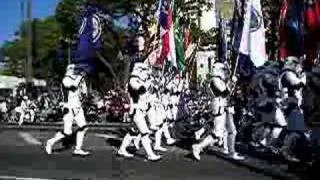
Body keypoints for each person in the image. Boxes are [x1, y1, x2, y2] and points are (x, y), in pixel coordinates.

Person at [45, 64, 90, 156]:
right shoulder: (66, 79)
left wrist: (83, 88)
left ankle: (78, 148)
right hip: (68, 108)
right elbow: (73, 86)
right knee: (67, 132)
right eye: (74, 69)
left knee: (84, 127)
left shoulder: (78, 79)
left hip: (77, 107)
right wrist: (80, 77)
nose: (76, 71)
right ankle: (50, 142)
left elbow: (83, 92)